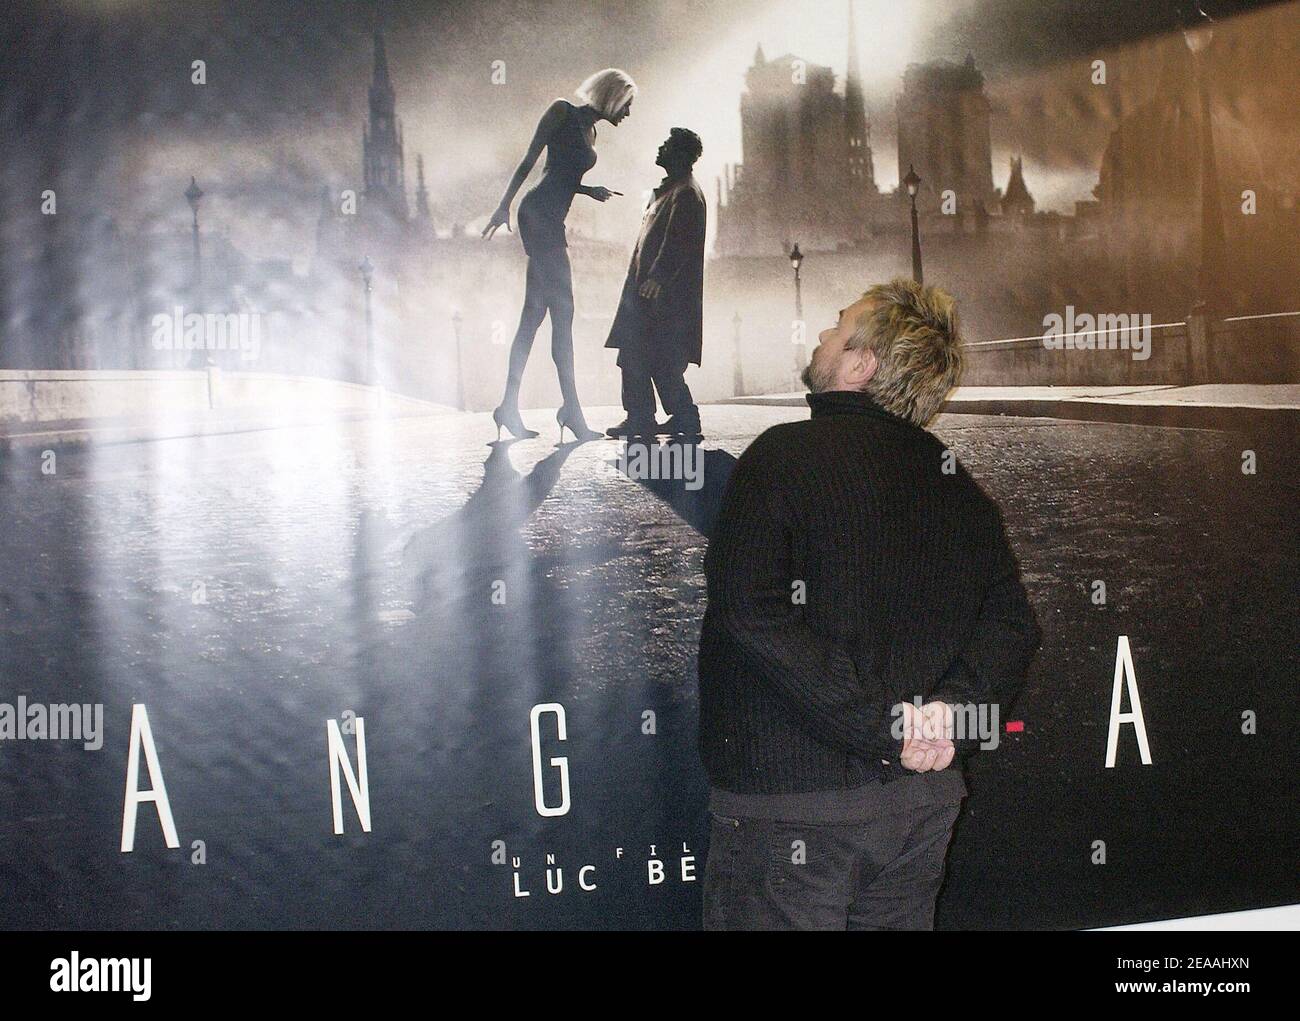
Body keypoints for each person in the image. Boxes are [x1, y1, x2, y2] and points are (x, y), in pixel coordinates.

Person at [697, 278, 1042, 930]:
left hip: (796, 815)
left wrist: (888, 726)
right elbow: (1012, 625)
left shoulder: (780, 457)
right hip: (919, 810)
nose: (824, 333)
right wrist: (950, 715)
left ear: (861, 364)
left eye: (838, 325)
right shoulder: (957, 483)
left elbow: (752, 611)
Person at [483, 69, 636, 442]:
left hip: (550, 219)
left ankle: (509, 406)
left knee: (534, 317)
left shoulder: (592, 130)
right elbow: (531, 161)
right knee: (563, 314)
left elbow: (564, 175)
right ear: (612, 97)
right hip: (537, 217)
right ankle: (571, 410)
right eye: (627, 105)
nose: (628, 114)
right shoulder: (561, 111)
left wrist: (587, 190)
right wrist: (503, 206)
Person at [604, 127, 706, 440]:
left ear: (680, 154)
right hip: (651, 294)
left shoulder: (684, 193)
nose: (660, 148)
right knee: (654, 357)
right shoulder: (671, 191)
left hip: (661, 297)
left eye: (667, 146)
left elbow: (678, 241)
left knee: (645, 356)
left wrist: (658, 277)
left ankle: (644, 417)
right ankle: (677, 417)